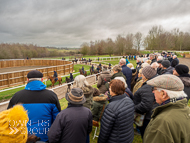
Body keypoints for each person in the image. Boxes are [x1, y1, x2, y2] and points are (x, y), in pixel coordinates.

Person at [7, 70, 61, 142]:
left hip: (24, 138)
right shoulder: (51, 96)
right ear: (42, 80)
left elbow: (8, 120)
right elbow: (57, 120)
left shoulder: (16, 96)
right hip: (46, 138)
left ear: (27, 80)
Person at [143, 75, 190, 143]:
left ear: (163, 94)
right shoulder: (186, 109)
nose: (153, 92)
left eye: (154, 89)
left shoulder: (162, 122)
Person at [133, 63, 159, 139]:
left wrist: (134, 107)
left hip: (147, 117)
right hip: (152, 114)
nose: (141, 75)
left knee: (146, 136)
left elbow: (146, 105)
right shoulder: (154, 82)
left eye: (142, 74)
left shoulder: (148, 87)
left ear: (146, 75)